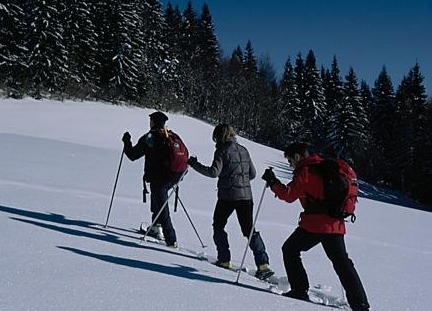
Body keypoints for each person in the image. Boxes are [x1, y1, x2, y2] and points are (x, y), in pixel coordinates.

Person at [261, 141, 370, 311]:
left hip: (316, 224)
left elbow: (288, 195)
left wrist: (273, 182)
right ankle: (360, 304)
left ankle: (299, 290)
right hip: (336, 223)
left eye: (290, 161)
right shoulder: (323, 165)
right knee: (342, 263)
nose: (291, 166)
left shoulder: (305, 170)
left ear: (297, 156)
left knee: (290, 249)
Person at [187, 124, 274, 280]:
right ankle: (263, 265)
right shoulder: (244, 150)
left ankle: (224, 259)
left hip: (228, 196)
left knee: (219, 225)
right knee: (249, 229)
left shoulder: (222, 150)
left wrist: (194, 164)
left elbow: (214, 172)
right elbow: (252, 174)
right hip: (246, 196)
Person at [122, 111, 182, 248]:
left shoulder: (150, 137)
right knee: (158, 200)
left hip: (159, 177)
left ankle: (171, 240)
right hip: (174, 177)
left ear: (153, 122)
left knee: (162, 207)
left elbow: (132, 155)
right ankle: (156, 227)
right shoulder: (172, 136)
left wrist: (126, 142)